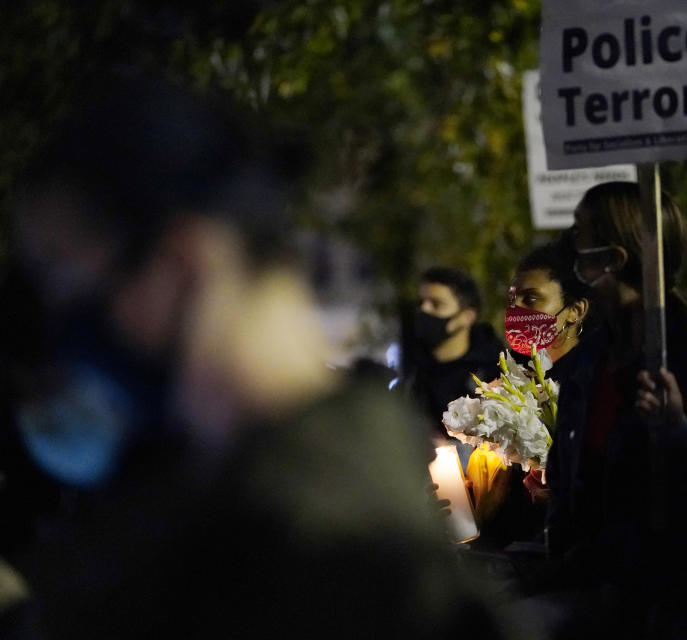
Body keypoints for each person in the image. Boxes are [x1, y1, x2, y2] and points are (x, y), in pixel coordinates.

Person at [1, 74, 516, 640]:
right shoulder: (290, 491)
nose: (63, 327)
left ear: (180, 265)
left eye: (65, 280)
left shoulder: (322, 553)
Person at [539, 181, 687, 635]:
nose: (571, 246)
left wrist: (679, 432)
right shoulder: (589, 359)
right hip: (586, 597)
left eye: (580, 233)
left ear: (614, 258)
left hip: (660, 607)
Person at [466, 241, 592, 550]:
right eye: (513, 299)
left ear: (575, 310)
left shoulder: (588, 382)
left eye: (531, 299)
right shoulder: (511, 380)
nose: (517, 309)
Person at [400, 267, 503, 463]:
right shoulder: (413, 374)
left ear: (466, 317)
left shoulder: (494, 374)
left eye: (436, 304)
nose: (424, 310)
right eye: (421, 302)